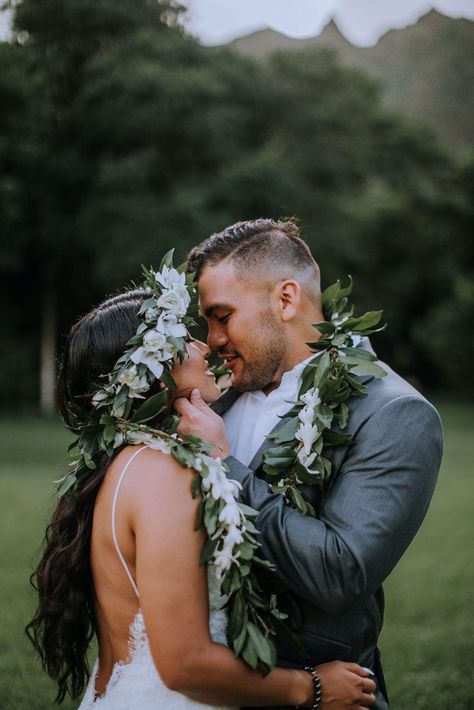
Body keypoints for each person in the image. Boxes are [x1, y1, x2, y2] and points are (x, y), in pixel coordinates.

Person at [26, 284, 376, 710]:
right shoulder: (165, 475)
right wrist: (314, 688)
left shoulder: (127, 462)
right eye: (181, 337)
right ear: (153, 370)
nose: (201, 343)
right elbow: (185, 665)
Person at [175, 218, 443, 710]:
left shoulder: (394, 415)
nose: (211, 339)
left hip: (320, 692)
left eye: (222, 315)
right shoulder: (214, 400)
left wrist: (225, 465)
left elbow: (340, 572)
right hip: (198, 683)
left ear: (286, 299)